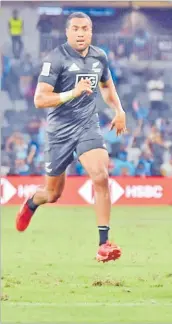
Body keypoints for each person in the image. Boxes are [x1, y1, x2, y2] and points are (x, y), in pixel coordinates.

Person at [15, 12, 127, 263]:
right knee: (53, 194)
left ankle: (103, 245)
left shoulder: (100, 57)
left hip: (88, 127)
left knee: (101, 176)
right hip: (59, 133)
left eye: (85, 29)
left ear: (91, 31)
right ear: (67, 32)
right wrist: (71, 93)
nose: (80, 33)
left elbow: (107, 87)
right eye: (75, 28)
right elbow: (39, 99)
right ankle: (33, 202)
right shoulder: (55, 59)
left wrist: (118, 111)